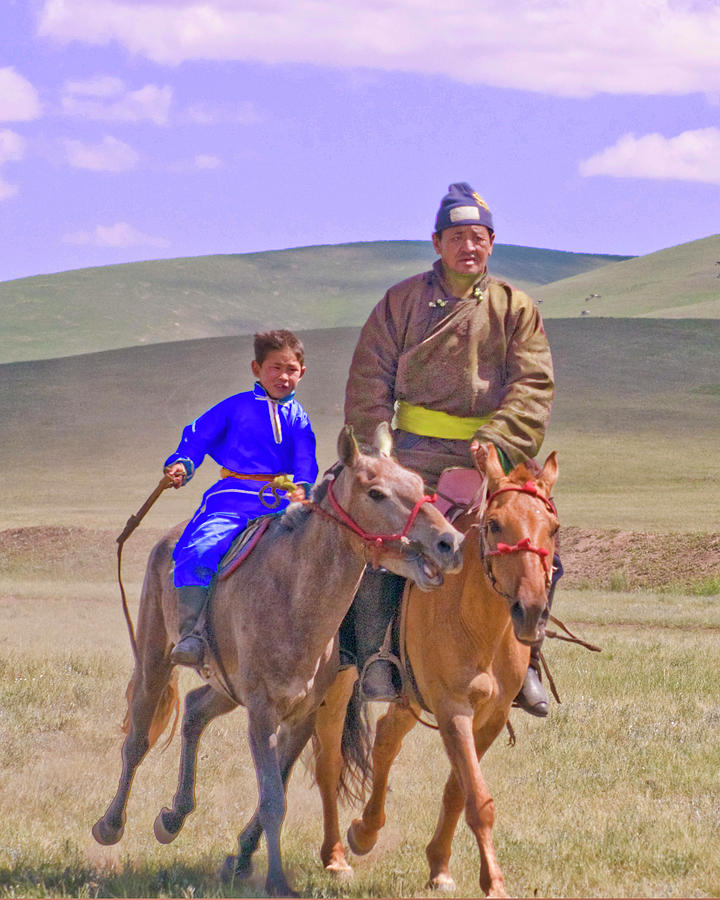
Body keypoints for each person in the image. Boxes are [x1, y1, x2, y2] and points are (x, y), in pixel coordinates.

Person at [342, 182, 557, 715]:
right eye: (457, 236)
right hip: (411, 455)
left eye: (479, 237)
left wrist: (496, 441)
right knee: (378, 543)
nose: (469, 246)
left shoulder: (516, 308)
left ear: (491, 243)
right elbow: (369, 379)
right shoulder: (400, 303)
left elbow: (533, 385)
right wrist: (380, 448)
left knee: (538, 545)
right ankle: (377, 660)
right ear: (436, 242)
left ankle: (525, 661)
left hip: (492, 459)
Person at [164, 329, 319, 668]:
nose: (283, 376)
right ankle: (193, 634)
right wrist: (182, 463)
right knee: (203, 548)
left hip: (279, 504)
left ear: (302, 373)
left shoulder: (299, 418)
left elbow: (306, 459)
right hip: (232, 498)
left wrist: (304, 487)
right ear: (256, 369)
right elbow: (197, 437)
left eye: (291, 369)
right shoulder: (235, 407)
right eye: (275, 368)